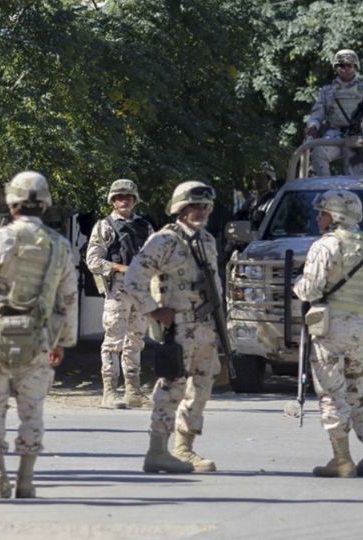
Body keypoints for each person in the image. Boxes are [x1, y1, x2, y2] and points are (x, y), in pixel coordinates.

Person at [0, 171, 78, 499]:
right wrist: (63, 341)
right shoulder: (60, 244)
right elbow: (68, 298)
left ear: (12, 203)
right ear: (46, 202)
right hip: (38, 339)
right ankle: (26, 479)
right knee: (32, 408)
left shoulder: (2, 238)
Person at [293, 190, 363, 478]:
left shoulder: (324, 247)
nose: (318, 217)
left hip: (329, 329)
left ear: (335, 216)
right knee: (358, 389)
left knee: (331, 392)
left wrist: (297, 284)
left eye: (322, 212)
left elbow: (311, 290)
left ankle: (341, 459)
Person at [123, 181, 223, 474]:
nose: (200, 211)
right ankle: (157, 451)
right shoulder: (164, 240)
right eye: (194, 206)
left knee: (201, 389)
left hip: (205, 327)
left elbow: (214, 286)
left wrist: (220, 326)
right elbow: (133, 278)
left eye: (205, 206)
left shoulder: (206, 240)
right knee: (171, 389)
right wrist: (153, 310)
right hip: (178, 328)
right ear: (180, 207)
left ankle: (184, 449)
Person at [86, 179, 155, 409]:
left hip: (140, 291)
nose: (123, 200)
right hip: (118, 290)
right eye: (118, 197)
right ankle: (109, 392)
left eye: (127, 196)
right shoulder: (105, 226)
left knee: (135, 341)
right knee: (113, 341)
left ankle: (133, 391)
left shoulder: (145, 226)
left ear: (135, 199)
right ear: (112, 201)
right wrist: (119, 268)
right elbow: (93, 260)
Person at [233, 162, 277, 229]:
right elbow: (238, 219)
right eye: (255, 176)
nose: (255, 179)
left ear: (268, 179)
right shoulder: (251, 200)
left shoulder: (273, 200)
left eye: (259, 176)